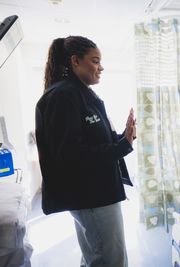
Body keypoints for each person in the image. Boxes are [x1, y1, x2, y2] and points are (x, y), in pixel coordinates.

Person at [35, 36, 136, 267]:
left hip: (94, 194)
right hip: (91, 195)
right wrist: (122, 146)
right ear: (75, 61)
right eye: (95, 60)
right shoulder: (63, 96)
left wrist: (124, 137)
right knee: (110, 261)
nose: (101, 67)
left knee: (96, 256)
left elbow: (90, 142)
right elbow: (71, 156)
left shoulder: (80, 94)